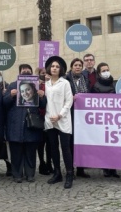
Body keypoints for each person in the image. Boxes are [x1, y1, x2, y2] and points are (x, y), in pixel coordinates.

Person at [4, 64, 47, 183]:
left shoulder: (37, 85)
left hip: (31, 124)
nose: (26, 71)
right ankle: (17, 174)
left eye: (28, 69)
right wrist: (10, 95)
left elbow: (43, 105)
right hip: (15, 124)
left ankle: (30, 174)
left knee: (30, 152)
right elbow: (4, 104)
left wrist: (42, 97)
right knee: (16, 152)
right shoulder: (12, 85)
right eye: (23, 70)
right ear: (19, 72)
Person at [44, 56, 74, 189]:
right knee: (53, 148)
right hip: (49, 120)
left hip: (62, 119)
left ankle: (69, 174)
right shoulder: (46, 84)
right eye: (52, 66)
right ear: (49, 69)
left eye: (57, 66)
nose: (54, 68)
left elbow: (69, 101)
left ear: (61, 69)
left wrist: (60, 115)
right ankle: (57, 173)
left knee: (66, 148)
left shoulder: (65, 83)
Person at [65, 58, 91, 178]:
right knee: (71, 144)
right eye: (75, 65)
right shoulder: (66, 80)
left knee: (81, 143)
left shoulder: (85, 79)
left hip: (83, 116)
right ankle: (70, 170)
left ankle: (81, 169)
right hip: (70, 115)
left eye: (80, 65)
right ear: (71, 67)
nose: (78, 67)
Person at [35, 67, 52, 176]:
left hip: (50, 116)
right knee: (41, 144)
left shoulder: (51, 84)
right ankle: (42, 163)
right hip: (40, 116)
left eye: (46, 73)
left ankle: (50, 163)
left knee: (50, 144)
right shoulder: (36, 85)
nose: (44, 75)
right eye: (42, 73)